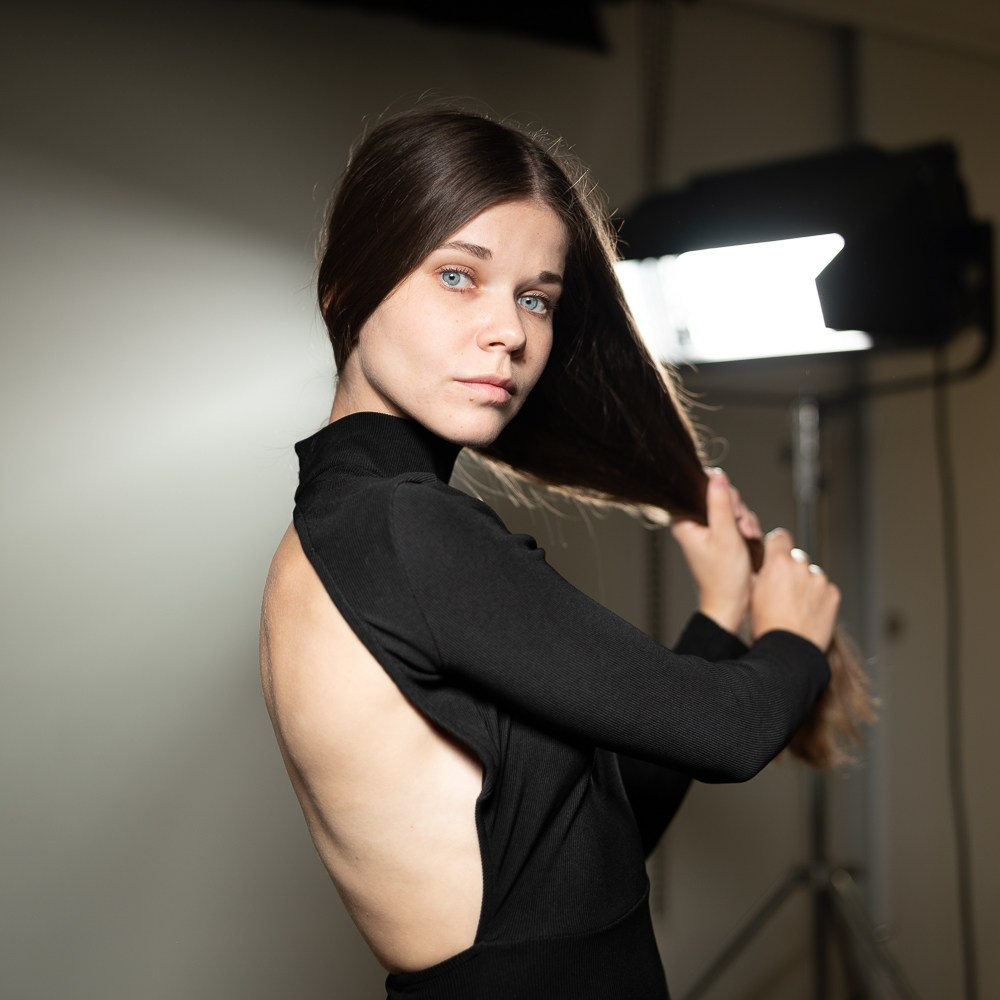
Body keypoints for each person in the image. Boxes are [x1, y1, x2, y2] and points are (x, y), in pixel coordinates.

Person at [259, 106, 845, 1000]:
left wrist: (722, 611)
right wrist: (795, 638)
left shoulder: (346, 530)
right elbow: (729, 731)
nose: (511, 332)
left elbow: (590, 856)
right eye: (459, 276)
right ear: (345, 287)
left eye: (536, 297)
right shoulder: (401, 528)